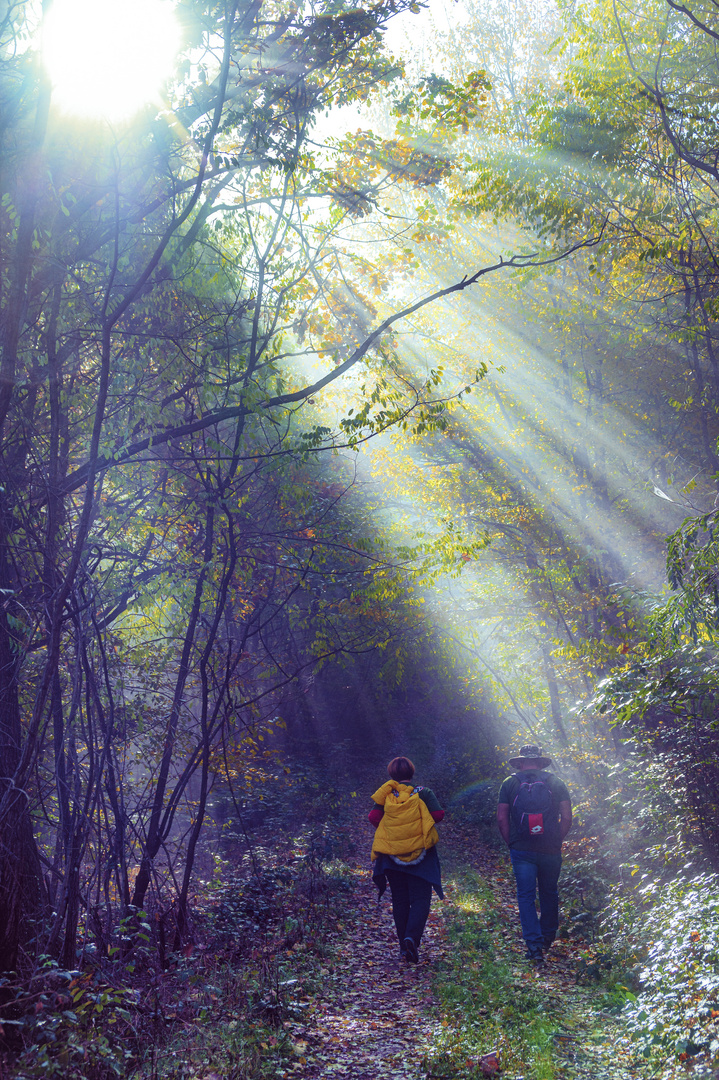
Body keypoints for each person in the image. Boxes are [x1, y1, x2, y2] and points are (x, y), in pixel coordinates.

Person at [496, 744, 572, 966]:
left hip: (522, 850)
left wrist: (512, 843)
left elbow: (502, 818)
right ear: (540, 761)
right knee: (549, 892)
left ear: (520, 762)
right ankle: (548, 937)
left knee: (526, 897)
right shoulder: (555, 782)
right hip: (550, 848)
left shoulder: (509, 783)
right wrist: (557, 839)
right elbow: (567, 817)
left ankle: (534, 947)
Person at [369, 756, 445, 964]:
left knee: (400, 899)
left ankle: (404, 947)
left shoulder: (386, 793)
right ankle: (412, 937)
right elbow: (438, 815)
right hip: (422, 853)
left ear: (392, 774)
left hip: (391, 855)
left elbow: (374, 818)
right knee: (421, 898)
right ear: (411, 772)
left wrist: (393, 831)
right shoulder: (423, 792)